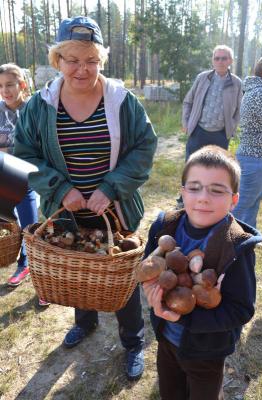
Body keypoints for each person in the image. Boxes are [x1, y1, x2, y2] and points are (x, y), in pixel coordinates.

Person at [14, 16, 157, 380]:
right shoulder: (39, 106)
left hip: (115, 208)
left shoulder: (122, 102)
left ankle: (132, 341)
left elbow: (144, 148)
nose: (83, 69)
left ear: (101, 61)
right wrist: (61, 189)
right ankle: (86, 321)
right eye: (73, 59)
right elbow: (24, 155)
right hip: (65, 210)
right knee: (79, 272)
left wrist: (110, 188)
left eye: (91, 59)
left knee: (119, 275)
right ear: (58, 60)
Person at [142, 145, 262, 400]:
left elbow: (241, 310)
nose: (203, 197)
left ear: (234, 199)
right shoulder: (164, 226)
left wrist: (184, 319)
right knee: (170, 391)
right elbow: (147, 268)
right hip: (165, 338)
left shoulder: (236, 248)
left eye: (217, 190)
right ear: (182, 192)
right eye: (194, 187)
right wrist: (151, 290)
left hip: (208, 349)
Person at [0, 64, 48, 304]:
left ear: (21, 85)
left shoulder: (33, 109)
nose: (4, 91)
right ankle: (18, 256)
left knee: (31, 228)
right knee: (9, 225)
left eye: (9, 84)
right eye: (0, 86)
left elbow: (35, 146)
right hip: (3, 176)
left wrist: (8, 150)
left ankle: (30, 265)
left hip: (27, 178)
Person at [182, 45, 242, 161]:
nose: (220, 61)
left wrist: (232, 126)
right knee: (192, 166)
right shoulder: (202, 78)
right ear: (213, 61)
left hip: (221, 135)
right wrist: (186, 123)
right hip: (198, 131)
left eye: (224, 58)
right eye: (217, 58)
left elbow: (240, 109)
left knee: (216, 169)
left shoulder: (237, 83)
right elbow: (188, 102)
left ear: (230, 61)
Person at [232, 54, 262, 229]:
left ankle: (246, 235)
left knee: (253, 202)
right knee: (242, 203)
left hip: (258, 157)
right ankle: (225, 240)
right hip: (255, 158)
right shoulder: (261, 93)